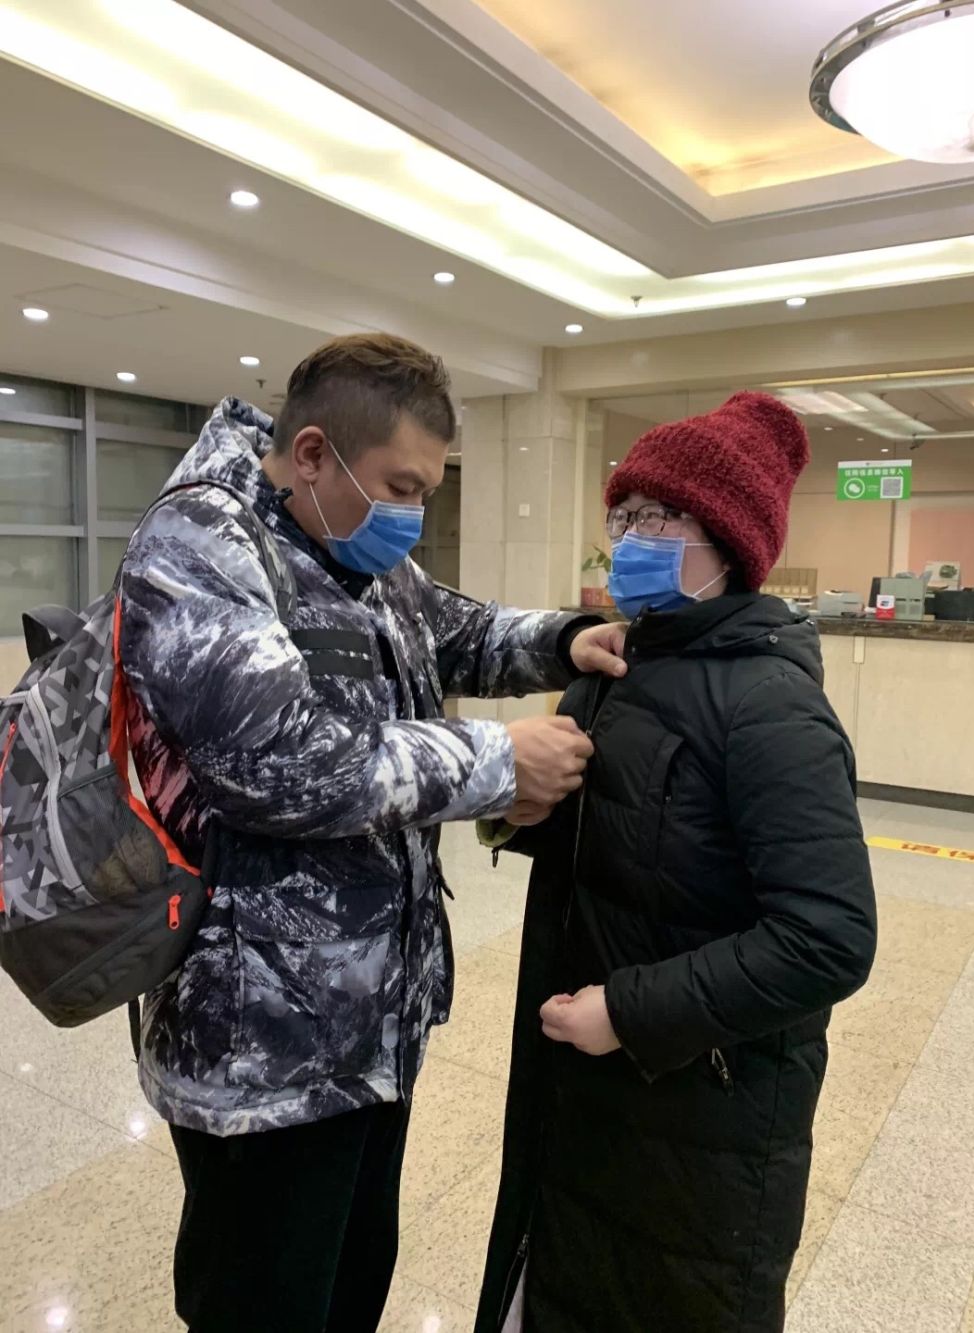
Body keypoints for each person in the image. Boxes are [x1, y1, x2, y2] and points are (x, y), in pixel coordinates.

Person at [117, 332, 627, 1333]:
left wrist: (568, 637)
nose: (412, 514)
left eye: (427, 491)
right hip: (261, 1052)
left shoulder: (349, 547)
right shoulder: (202, 545)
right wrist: (496, 762)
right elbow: (283, 763)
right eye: (400, 487)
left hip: (368, 1027)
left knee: (350, 1287)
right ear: (314, 453)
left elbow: (458, 631)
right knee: (265, 1305)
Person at [476, 392, 878, 1333]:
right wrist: (508, 808)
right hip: (582, 1096)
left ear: (727, 542)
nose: (630, 539)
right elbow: (609, 837)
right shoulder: (613, 670)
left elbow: (828, 936)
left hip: (701, 1121)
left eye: (660, 516)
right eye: (622, 514)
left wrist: (628, 1012)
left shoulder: (773, 707)